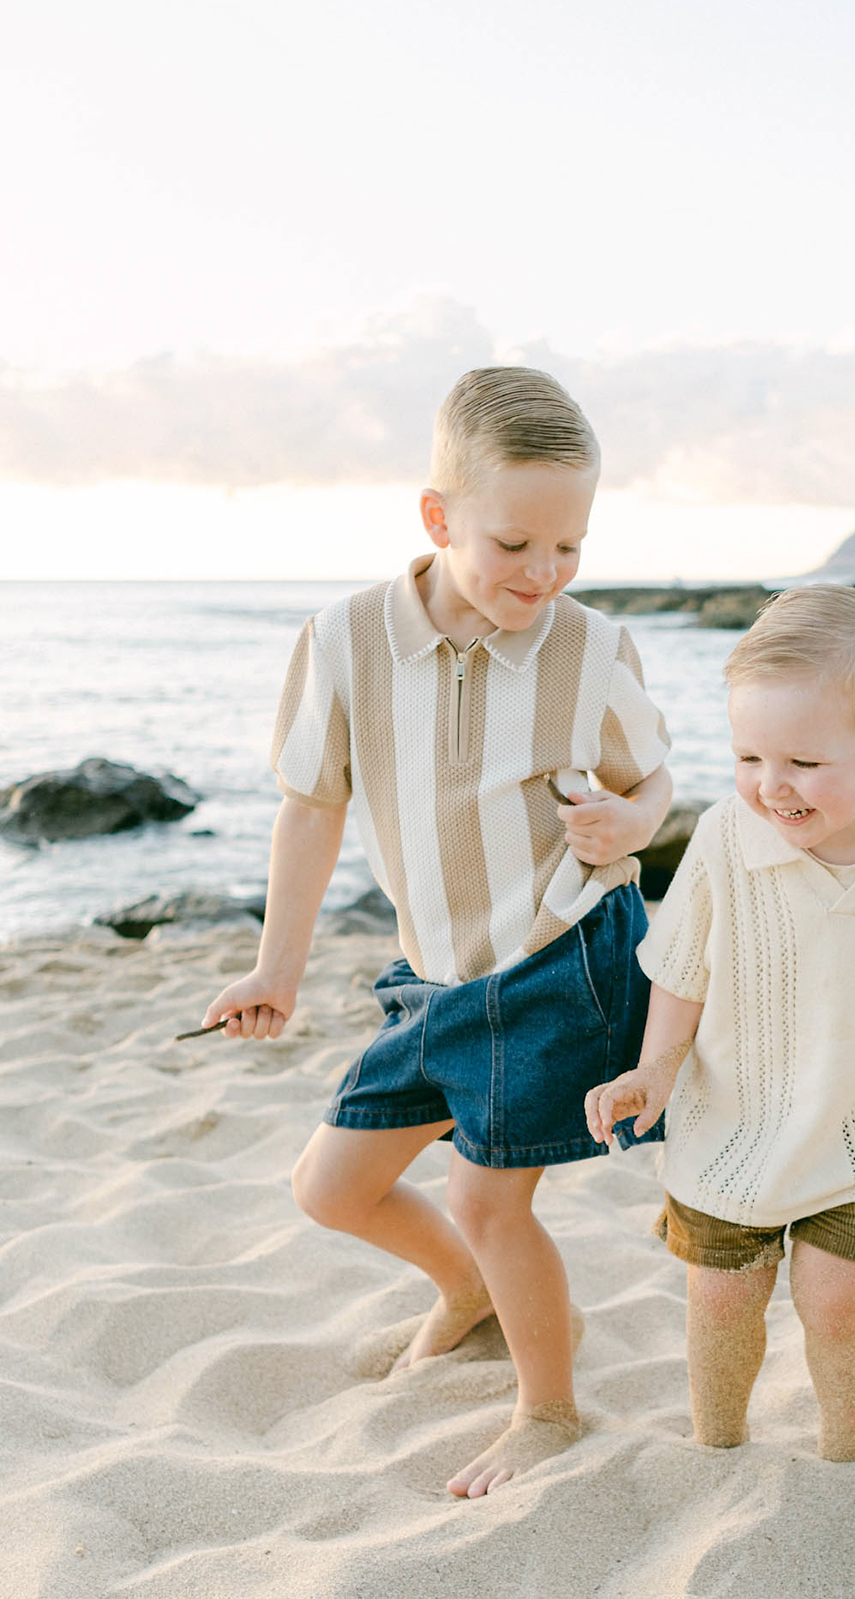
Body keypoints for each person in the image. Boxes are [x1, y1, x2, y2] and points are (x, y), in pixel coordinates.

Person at [201, 367, 672, 1496]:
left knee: (485, 1194)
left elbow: (654, 782)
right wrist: (279, 963)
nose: (544, 576)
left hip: (559, 959)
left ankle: (550, 1411)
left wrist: (630, 820)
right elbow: (314, 804)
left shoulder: (591, 649)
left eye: (570, 549)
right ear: (438, 516)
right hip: (434, 977)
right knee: (331, 1187)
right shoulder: (345, 639)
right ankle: (464, 1292)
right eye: (515, 545)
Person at [585, 584, 855, 1462]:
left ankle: (847, 1455)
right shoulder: (723, 838)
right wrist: (655, 1071)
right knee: (721, 1297)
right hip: (733, 1125)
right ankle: (718, 1445)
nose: (770, 786)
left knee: (835, 1299)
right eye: (748, 756)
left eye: (803, 763)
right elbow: (681, 974)